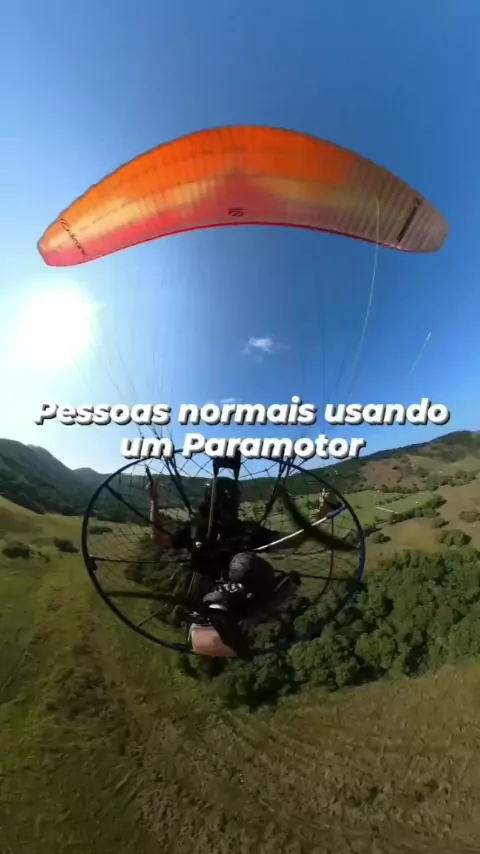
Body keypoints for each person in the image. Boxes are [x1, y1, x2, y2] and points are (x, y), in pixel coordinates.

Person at [148, 475, 354, 658]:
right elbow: (160, 539)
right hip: (206, 600)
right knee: (217, 573)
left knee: (244, 563)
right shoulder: (196, 531)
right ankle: (221, 616)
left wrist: (323, 513)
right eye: (226, 505)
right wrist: (154, 502)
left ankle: (241, 616)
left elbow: (292, 541)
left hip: (240, 600)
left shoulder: (246, 531)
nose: (230, 511)